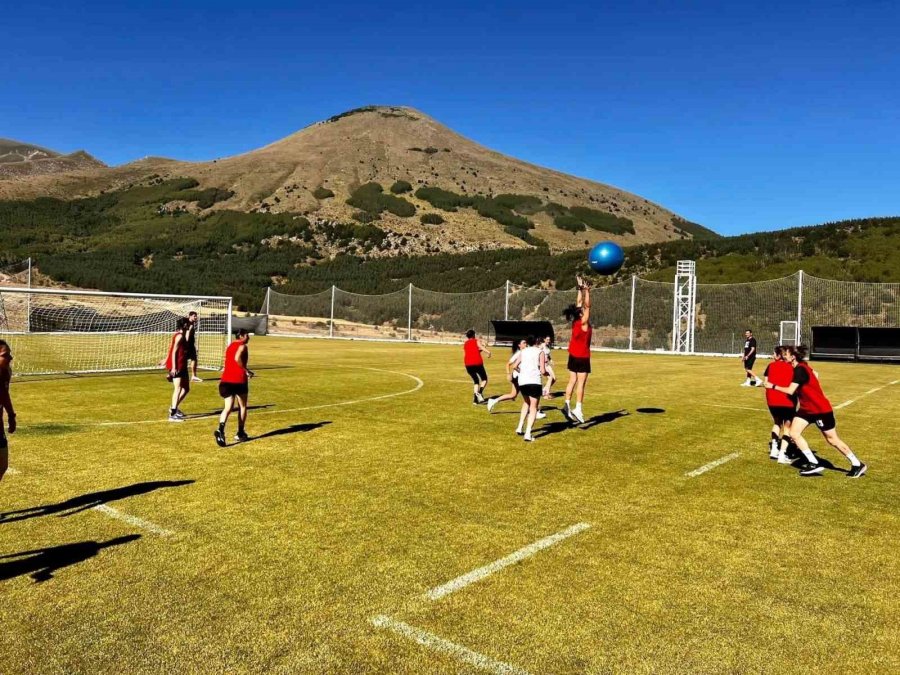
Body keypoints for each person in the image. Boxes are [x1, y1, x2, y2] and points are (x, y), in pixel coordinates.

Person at [765, 345, 867, 478]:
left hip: (820, 410)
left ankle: (857, 464)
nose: (783, 356)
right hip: (806, 410)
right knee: (794, 433)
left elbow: (790, 390)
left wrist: (772, 386)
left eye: (786, 354)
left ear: (793, 357)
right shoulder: (800, 367)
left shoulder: (800, 370)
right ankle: (813, 462)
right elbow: (816, 374)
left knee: (832, 440)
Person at [214, 329, 255, 447]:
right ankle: (240, 433)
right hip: (239, 380)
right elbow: (237, 358)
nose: (249, 337)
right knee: (242, 406)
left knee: (227, 408)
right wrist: (246, 371)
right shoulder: (242, 346)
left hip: (225, 380)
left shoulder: (230, 345)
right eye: (247, 335)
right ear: (241, 336)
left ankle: (220, 429)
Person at [563, 275, 592, 424]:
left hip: (573, 355)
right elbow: (587, 306)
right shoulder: (583, 323)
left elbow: (579, 304)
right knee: (581, 383)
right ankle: (578, 409)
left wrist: (580, 288)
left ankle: (567, 404)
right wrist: (587, 290)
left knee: (572, 380)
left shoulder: (575, 321)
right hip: (582, 357)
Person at [762, 346, 795, 464]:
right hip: (787, 400)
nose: (772, 356)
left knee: (777, 423)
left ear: (778, 355)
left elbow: (765, 382)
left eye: (773, 354)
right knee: (787, 427)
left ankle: (774, 449)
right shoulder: (792, 366)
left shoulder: (770, 366)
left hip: (772, 399)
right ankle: (782, 454)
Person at [511, 335, 546, 442]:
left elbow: (514, 366)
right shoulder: (540, 352)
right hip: (534, 381)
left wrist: (522, 372)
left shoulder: (523, 351)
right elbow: (543, 371)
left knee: (526, 403)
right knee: (534, 407)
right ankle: (528, 433)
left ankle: (520, 427)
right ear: (537, 342)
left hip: (523, 381)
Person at [486, 338, 526, 413]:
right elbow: (508, 364)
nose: (525, 344)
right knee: (528, 394)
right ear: (519, 345)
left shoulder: (525, 352)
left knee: (513, 395)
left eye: (526, 343)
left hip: (520, 377)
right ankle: (536, 411)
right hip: (518, 377)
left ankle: (493, 401)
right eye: (524, 343)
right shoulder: (519, 353)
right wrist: (508, 374)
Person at [165, 317, 190, 422]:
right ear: (184, 325)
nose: (189, 325)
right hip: (178, 366)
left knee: (186, 388)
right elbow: (174, 351)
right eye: (187, 324)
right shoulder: (179, 336)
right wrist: (174, 367)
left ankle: (173, 408)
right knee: (178, 388)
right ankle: (173, 414)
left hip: (182, 365)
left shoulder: (182, 335)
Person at [0, 340, 16, 482]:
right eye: (5, 355)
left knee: (2, 465)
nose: (10, 358)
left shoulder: (6, 372)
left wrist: (11, 415)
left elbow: (4, 394)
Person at [462, 329, 491, 404]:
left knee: (476, 381)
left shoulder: (465, 343)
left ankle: (475, 400)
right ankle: (480, 393)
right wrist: (488, 352)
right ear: (473, 335)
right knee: (484, 379)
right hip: (477, 363)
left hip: (468, 364)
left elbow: (475, 351)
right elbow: (480, 347)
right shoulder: (476, 341)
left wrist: (482, 347)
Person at [186, 311, 203, 383]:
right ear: (190, 316)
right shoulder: (189, 324)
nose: (196, 317)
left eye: (196, 316)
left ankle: (193, 376)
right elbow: (187, 335)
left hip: (191, 345)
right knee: (183, 360)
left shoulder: (191, 323)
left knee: (194, 359)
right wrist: (185, 344)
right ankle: (173, 374)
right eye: (194, 316)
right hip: (187, 346)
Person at [541, 335, 556, 400]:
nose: (548, 341)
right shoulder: (542, 345)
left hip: (548, 364)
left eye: (549, 340)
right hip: (543, 364)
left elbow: (548, 355)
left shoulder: (548, 346)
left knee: (554, 379)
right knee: (550, 378)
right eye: (547, 339)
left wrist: (551, 360)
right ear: (544, 340)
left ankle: (544, 390)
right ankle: (547, 394)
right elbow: (538, 353)